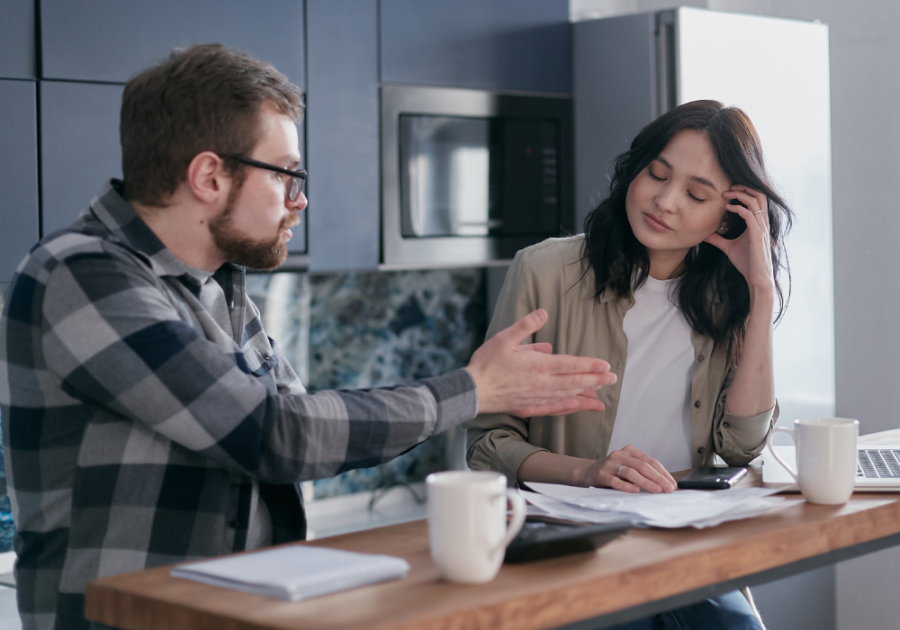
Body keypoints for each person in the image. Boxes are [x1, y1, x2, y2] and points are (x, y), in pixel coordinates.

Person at [0, 44, 617, 630]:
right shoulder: (82, 275)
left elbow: (304, 425)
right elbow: (275, 434)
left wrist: (473, 391)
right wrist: (473, 391)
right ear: (209, 176)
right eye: (285, 175)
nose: (299, 202)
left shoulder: (219, 285)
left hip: (230, 608)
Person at [466, 100, 792, 629]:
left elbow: (739, 448)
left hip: (687, 553)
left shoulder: (726, 297)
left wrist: (760, 290)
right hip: (576, 555)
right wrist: (589, 473)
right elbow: (487, 444)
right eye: (656, 174)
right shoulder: (545, 270)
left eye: (696, 193)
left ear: (728, 215)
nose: (664, 201)